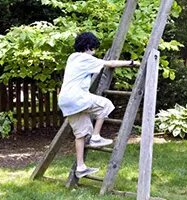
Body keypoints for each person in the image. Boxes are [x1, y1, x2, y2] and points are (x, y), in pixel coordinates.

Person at [58, 32, 140, 178]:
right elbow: (110, 63)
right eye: (94, 48)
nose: (95, 51)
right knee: (106, 105)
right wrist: (131, 63)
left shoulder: (72, 57)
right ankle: (96, 136)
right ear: (89, 46)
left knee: (81, 134)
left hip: (65, 101)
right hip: (77, 97)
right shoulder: (86, 58)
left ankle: (81, 167)